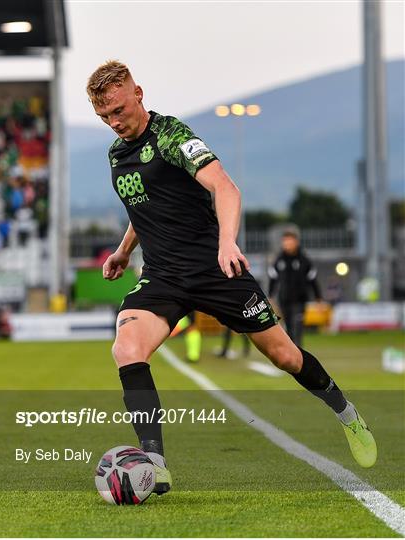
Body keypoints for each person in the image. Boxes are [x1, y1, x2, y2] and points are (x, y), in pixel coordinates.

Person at [86, 60, 377, 495]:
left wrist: (227, 243)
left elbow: (226, 188)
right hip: (163, 275)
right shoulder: (117, 153)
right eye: (104, 117)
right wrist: (125, 251)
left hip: (216, 268)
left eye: (119, 111)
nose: (114, 123)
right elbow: (142, 205)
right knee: (126, 348)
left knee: (285, 357)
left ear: (139, 94)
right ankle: (155, 463)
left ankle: (347, 414)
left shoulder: (172, 137)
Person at [268, 228, 322, 347]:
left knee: (297, 328)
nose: (287, 244)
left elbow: (312, 279)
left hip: (300, 300)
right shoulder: (279, 260)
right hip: (284, 300)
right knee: (289, 330)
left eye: (289, 241)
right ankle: (292, 356)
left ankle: (299, 355)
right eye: (285, 241)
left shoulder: (304, 260)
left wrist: (318, 298)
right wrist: (271, 296)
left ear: (296, 242)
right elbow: (273, 278)